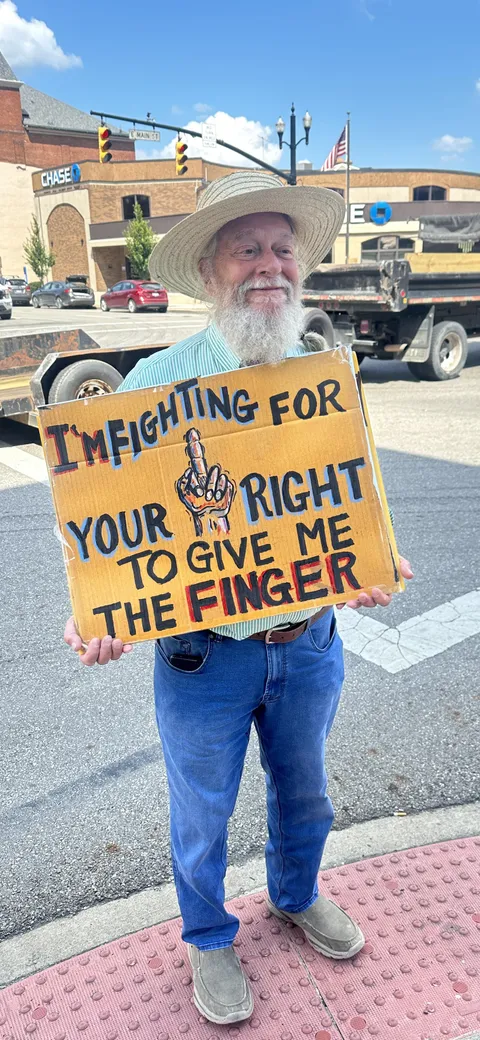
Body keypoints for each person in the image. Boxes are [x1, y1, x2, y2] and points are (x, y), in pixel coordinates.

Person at [64, 171, 413, 1027]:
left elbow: (347, 493)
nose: (269, 265)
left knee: (308, 795)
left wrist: (374, 561)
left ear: (300, 267)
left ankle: (295, 896)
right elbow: (108, 515)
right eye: (246, 249)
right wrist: (98, 608)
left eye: (282, 249)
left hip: (308, 640)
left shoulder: (323, 375)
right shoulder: (154, 378)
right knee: (202, 813)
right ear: (213, 271)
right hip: (202, 653)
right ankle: (209, 937)